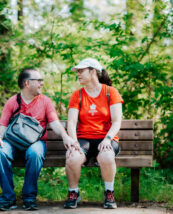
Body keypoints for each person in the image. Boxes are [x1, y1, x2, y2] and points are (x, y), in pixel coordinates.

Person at [0, 68, 75, 211]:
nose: (42, 83)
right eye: (39, 80)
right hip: (13, 143)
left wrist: (66, 137)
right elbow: (3, 125)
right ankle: (8, 198)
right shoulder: (13, 101)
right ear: (27, 83)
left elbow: (55, 123)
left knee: (35, 153)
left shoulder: (45, 101)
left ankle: (29, 198)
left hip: (36, 143)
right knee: (0, 151)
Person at [63, 58, 123, 209]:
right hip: (84, 139)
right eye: (77, 71)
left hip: (106, 139)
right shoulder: (77, 95)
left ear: (93, 71)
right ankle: (73, 193)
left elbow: (116, 121)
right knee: (72, 157)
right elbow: (71, 122)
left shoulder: (111, 92)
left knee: (107, 156)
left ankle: (109, 193)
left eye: (81, 71)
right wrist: (74, 142)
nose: (78, 74)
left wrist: (108, 139)